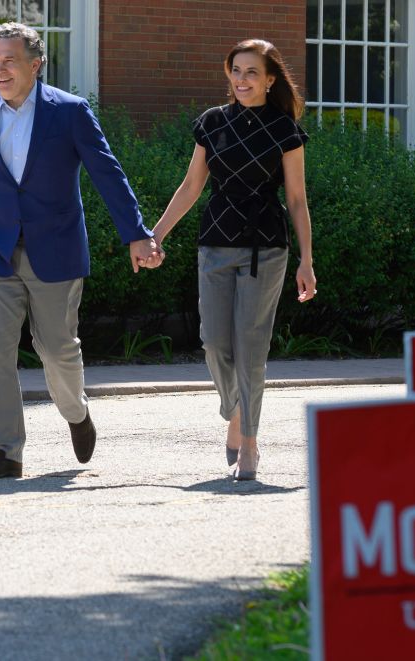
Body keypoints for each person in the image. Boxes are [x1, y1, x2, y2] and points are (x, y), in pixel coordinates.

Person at [0, 23, 163, 480]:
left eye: (10, 60)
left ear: (35, 64)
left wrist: (137, 234)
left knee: (57, 349)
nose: (0, 70)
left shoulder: (69, 112)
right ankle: (7, 451)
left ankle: (76, 412)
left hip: (57, 250)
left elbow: (109, 174)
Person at [151, 39, 316, 481]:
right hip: (215, 243)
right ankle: (237, 411)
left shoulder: (285, 129)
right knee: (214, 343)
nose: (241, 80)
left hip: (268, 247)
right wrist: (157, 234)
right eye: (236, 71)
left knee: (251, 349)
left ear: (270, 80)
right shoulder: (212, 124)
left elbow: (297, 200)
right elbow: (191, 187)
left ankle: (250, 443)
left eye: (251, 73)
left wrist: (307, 260)